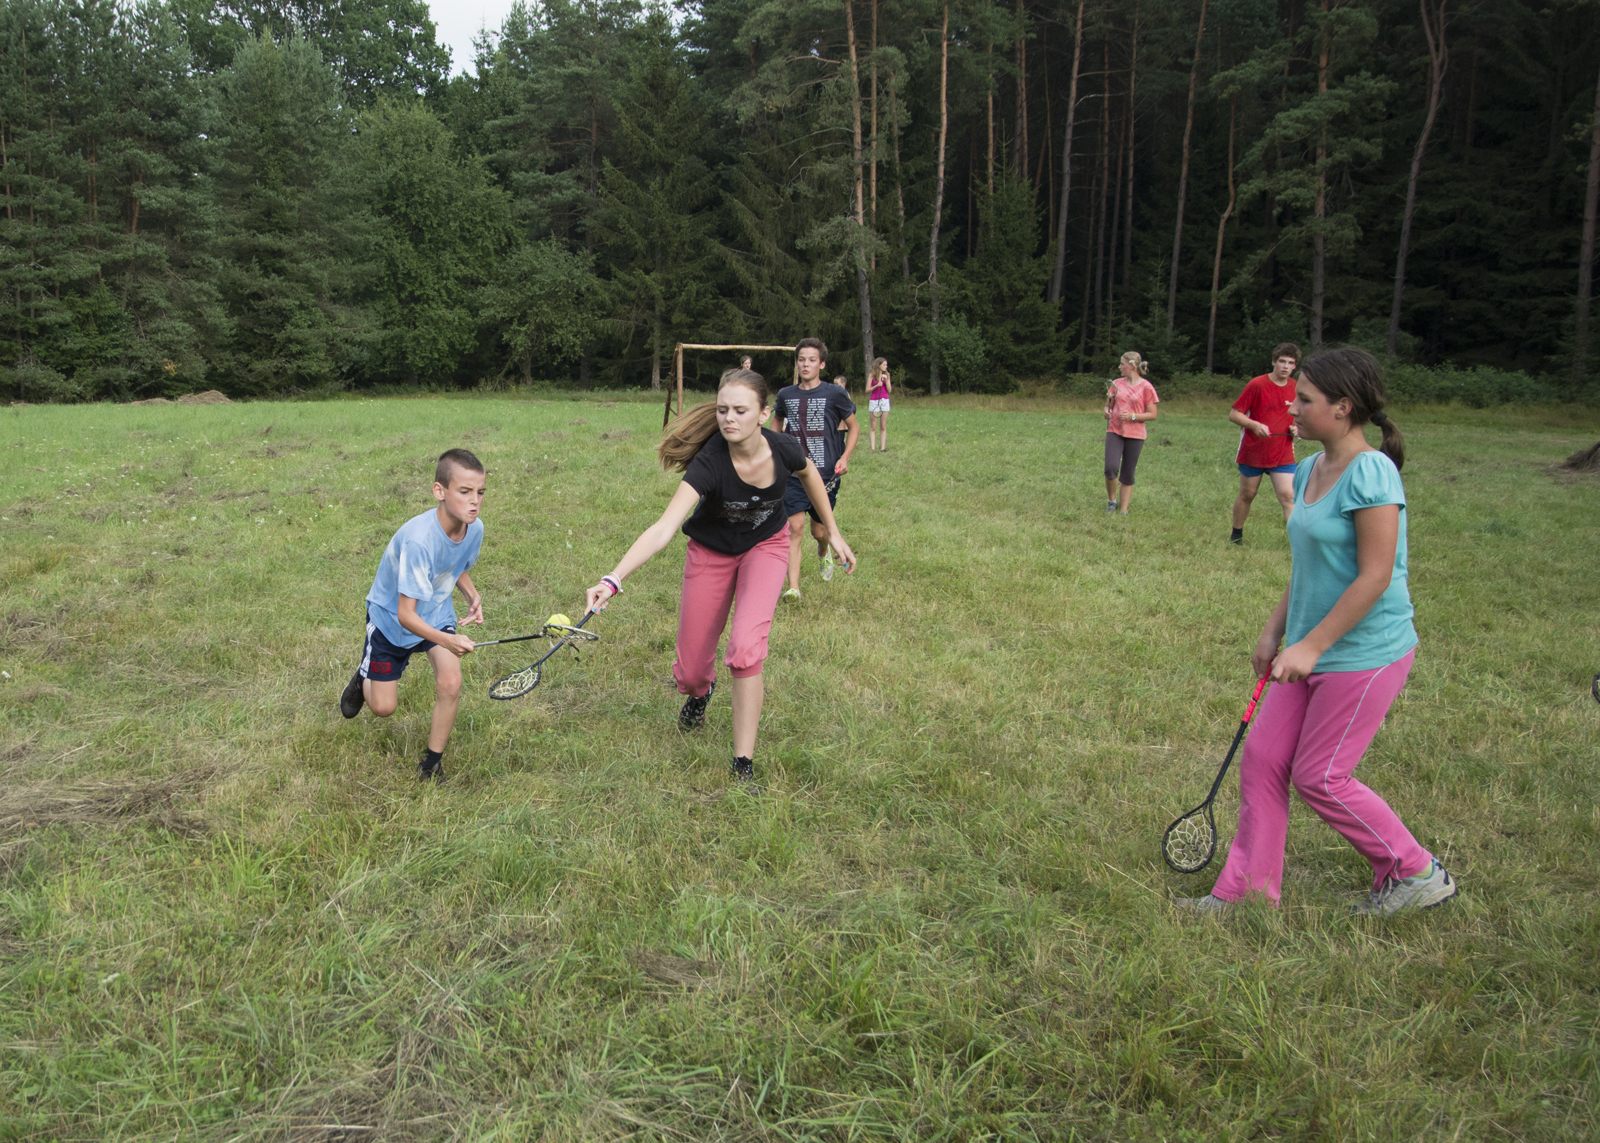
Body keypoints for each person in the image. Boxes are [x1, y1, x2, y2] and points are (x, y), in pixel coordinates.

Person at [1176, 347, 1457, 917]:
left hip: (1364, 652)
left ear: (1343, 407)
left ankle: (1416, 872)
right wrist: (1274, 632)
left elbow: (1376, 575)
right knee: (1263, 759)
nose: (1292, 409)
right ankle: (1246, 893)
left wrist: (1313, 645)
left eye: (1304, 400)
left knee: (1321, 777)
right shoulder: (1307, 470)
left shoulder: (1372, 472)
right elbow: (1309, 568)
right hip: (1307, 649)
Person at [584, 369, 856, 785]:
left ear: (763, 414)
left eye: (740, 410)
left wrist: (832, 531)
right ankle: (701, 692)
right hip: (711, 552)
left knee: (746, 650)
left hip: (765, 547)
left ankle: (743, 762)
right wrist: (613, 579)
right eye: (723, 409)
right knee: (691, 672)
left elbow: (809, 474)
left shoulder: (783, 448)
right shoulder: (711, 462)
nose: (729, 418)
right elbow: (663, 528)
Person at [339, 448, 486, 783]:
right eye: (464, 492)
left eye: (480, 492)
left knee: (451, 682)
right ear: (439, 491)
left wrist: (471, 594)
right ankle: (363, 678)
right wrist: (448, 640)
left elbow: (454, 565)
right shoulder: (419, 540)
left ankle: (431, 765)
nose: (474, 501)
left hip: (435, 612)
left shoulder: (473, 528)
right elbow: (406, 615)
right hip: (392, 621)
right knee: (383, 708)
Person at [775, 338, 858, 597]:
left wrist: (845, 457)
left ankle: (823, 551)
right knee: (794, 528)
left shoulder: (835, 394)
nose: (805, 364)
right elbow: (777, 421)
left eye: (812, 360)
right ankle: (793, 587)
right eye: (801, 360)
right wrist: (775, 450)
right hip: (794, 473)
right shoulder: (785, 394)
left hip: (825, 475)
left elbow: (854, 427)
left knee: (819, 531)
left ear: (821, 364)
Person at [1228, 343, 1301, 544]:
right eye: (1282, 361)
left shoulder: (1297, 387)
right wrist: (1255, 425)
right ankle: (1236, 536)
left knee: (1288, 496)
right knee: (1248, 494)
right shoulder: (1257, 384)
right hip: (1254, 449)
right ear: (1274, 362)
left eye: (1290, 363)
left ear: (1295, 366)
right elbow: (1234, 414)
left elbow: (1301, 415)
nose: (1285, 366)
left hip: (1283, 451)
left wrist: (1296, 428)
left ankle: (1297, 543)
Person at [1103, 351, 1159, 514]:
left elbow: (1152, 414)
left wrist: (1133, 416)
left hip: (1136, 434)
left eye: (1122, 364)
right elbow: (1108, 405)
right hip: (1115, 430)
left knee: (1128, 471)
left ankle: (1124, 510)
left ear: (1132, 366)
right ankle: (1112, 501)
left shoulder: (1146, 387)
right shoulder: (1116, 384)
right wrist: (1106, 411)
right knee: (1111, 468)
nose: (1119, 367)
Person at [866, 357, 892, 451]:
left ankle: (882, 448)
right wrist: (877, 385)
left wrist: (887, 380)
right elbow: (867, 390)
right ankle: (872, 448)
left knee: (883, 426)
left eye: (886, 365)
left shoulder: (887, 375)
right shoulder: (872, 375)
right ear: (879, 365)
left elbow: (889, 390)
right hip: (874, 401)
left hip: (884, 401)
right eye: (884, 365)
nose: (886, 366)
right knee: (873, 426)